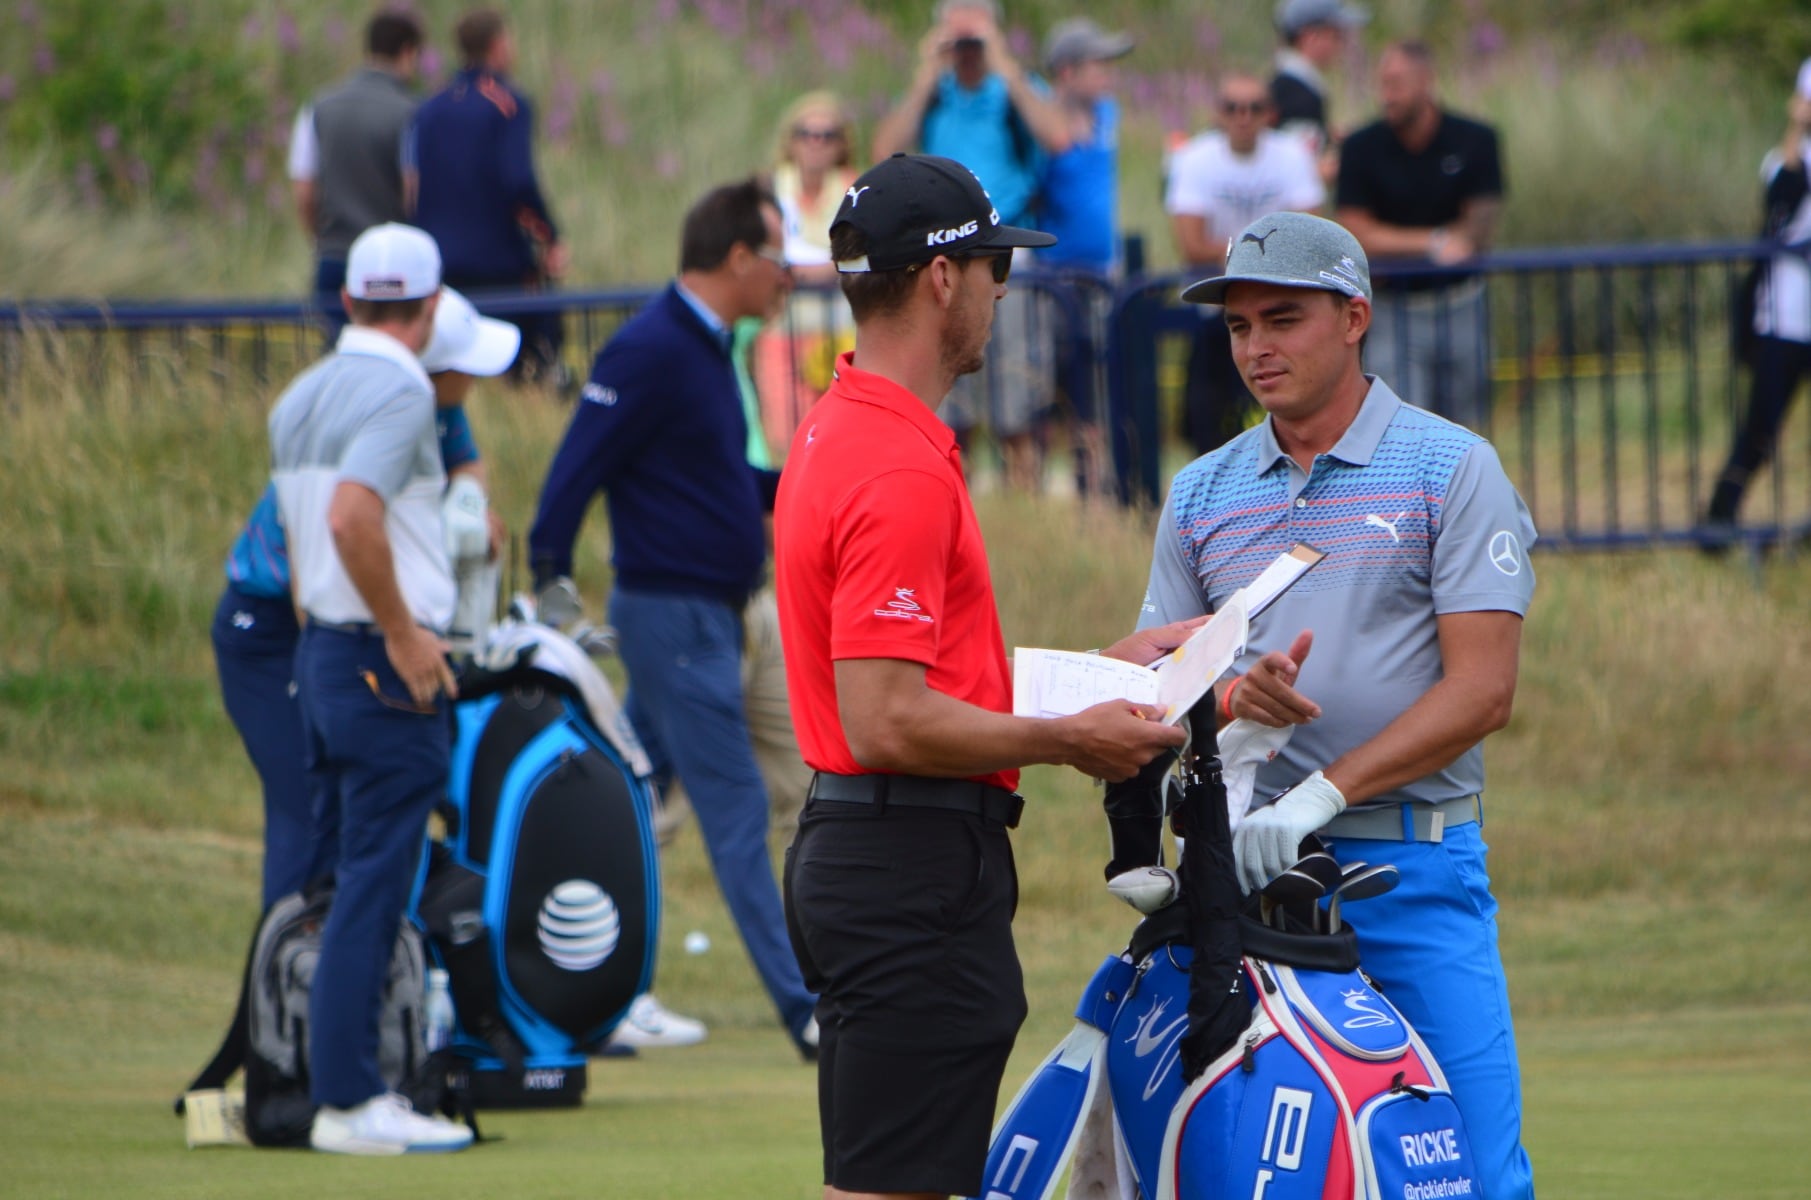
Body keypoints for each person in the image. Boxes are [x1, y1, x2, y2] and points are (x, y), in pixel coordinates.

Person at [776, 153, 1192, 1200]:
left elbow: (913, 682)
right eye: (995, 266)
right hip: (906, 863)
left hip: (881, 853)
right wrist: (1072, 739)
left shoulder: (844, 424)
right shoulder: (894, 462)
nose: (1005, 290)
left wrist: (1095, 675)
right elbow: (887, 719)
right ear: (942, 280)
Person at [1140, 210, 1537, 1200]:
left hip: (1410, 870)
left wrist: (1317, 795)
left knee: (1473, 1172)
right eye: (1237, 327)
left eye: (1281, 319)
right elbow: (1157, 678)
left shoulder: (1449, 467)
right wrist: (1231, 695)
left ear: (1352, 315)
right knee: (1250, 1171)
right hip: (1244, 887)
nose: (1255, 348)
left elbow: (1482, 689)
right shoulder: (1200, 492)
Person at [525, 179, 817, 1057]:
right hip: (671, 620)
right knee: (730, 810)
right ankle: (806, 1010)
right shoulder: (650, 348)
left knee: (640, 798)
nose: (786, 278)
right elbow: (576, 467)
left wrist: (821, 479)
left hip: (718, 617)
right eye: (776, 258)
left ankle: (603, 984)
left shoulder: (704, 346)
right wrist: (548, 570)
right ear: (736, 258)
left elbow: (717, 480)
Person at [267, 223, 471, 1155]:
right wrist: (402, 633)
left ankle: (327, 1082)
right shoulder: (398, 387)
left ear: (348, 300)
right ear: (429, 311)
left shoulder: (302, 393)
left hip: (320, 654)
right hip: (380, 661)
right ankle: (349, 1098)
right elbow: (353, 518)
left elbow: (305, 535)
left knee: (341, 876)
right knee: (373, 885)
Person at [214, 286, 514, 916]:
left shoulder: (434, 408)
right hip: (273, 624)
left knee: (350, 826)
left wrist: (467, 503)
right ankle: (279, 994)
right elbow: (328, 547)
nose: (474, 382)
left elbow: (467, 463)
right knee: (306, 819)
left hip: (340, 627)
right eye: (467, 369)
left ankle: (332, 986)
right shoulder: (390, 408)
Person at [873, 0, 1072, 492]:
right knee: (952, 400)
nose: (965, 50)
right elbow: (884, 151)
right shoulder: (934, 95)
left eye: (972, 37)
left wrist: (1004, 64)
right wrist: (925, 76)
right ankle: (956, 501)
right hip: (944, 254)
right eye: (956, 36)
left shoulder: (1014, 92)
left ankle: (1024, 505)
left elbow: (1057, 136)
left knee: (1017, 400)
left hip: (1008, 257)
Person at [1336, 40, 1503, 429]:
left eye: (1396, 83)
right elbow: (1355, 230)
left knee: (1468, 424)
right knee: (1400, 425)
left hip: (1462, 302)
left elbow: (1482, 221)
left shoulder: (1475, 138)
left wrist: (1456, 241)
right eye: (1382, 83)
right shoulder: (1362, 146)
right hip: (1394, 306)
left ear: (1426, 81)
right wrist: (1433, 242)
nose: (1386, 95)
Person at [1165, 70, 1323, 455]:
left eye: (1254, 108)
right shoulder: (1194, 158)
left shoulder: (1291, 155)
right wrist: (1268, 252)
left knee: (1282, 412)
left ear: (1270, 113)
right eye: (1233, 108)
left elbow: (1313, 231)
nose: (1243, 117)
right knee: (1207, 419)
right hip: (1215, 311)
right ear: (1218, 113)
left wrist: (1233, 251)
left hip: (1282, 303)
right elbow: (1190, 244)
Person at [409, 8, 569, 386]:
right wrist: (550, 238)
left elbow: (414, 183)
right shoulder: (507, 104)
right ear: (498, 45)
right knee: (523, 363)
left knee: (454, 369)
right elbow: (519, 181)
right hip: (500, 261)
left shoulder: (431, 108)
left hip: (441, 263)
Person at [1706, 62, 1811, 541]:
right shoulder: (1785, 160)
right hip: (1786, 319)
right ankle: (1719, 519)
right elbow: (1778, 202)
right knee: (1760, 429)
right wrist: (1796, 129)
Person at [1037, 16, 1134, 495]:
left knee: (1096, 389)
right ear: (1068, 71)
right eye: (1098, 64)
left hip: (1101, 273)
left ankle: (1094, 489)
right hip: (1052, 276)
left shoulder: (1107, 113)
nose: (1107, 74)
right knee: (1047, 390)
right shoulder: (1041, 119)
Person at [286, 10, 424, 345]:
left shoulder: (318, 107)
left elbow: (304, 193)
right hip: (390, 264)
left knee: (336, 357)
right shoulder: (412, 112)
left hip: (334, 254)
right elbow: (414, 191)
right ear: (407, 52)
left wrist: (322, 240)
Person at [751, 90, 862, 457]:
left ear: (841, 143)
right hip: (781, 328)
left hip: (840, 333)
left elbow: (860, 253)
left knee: (838, 443)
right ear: (791, 140)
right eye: (806, 133)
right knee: (785, 441)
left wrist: (808, 270)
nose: (816, 143)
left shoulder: (856, 189)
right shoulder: (767, 189)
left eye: (827, 135)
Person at [1268, 0, 1368, 174]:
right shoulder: (1299, 96)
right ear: (1311, 36)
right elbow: (1298, 167)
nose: (1341, 44)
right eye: (1336, 35)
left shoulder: (1285, 85)